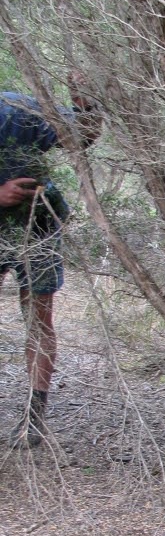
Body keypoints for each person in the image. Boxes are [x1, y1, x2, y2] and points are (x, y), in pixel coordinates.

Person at [0, 77, 101, 448]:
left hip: (36, 224)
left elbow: (81, 136)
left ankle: (34, 417)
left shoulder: (15, 110)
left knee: (38, 318)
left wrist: (85, 104)